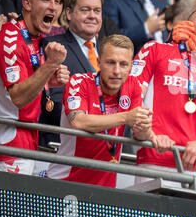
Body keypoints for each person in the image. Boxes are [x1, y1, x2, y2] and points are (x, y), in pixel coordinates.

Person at [131, 4, 196, 194]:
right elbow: (133, 95)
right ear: (187, 23)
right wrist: (149, 134)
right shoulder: (156, 49)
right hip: (156, 157)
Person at [47, 34, 153, 188]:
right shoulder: (79, 82)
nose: (117, 71)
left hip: (104, 188)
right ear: (98, 62)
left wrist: (145, 127)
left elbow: (139, 134)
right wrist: (126, 117)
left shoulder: (133, 86)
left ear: (130, 67)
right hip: (66, 181)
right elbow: (78, 122)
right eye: (111, 63)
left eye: (123, 64)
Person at [0, 0, 68, 175]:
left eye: (57, 1)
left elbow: (25, 85)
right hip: (7, 150)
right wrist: (50, 65)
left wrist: (49, 80)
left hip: (25, 145)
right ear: (27, 4)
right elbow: (18, 96)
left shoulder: (34, 38)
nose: (53, 7)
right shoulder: (10, 36)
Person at [38, 0, 105, 148]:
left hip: (109, 148)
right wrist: (105, 119)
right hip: (64, 147)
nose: (92, 16)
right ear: (68, 13)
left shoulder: (109, 51)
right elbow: (52, 103)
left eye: (97, 11)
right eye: (85, 10)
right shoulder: (52, 47)